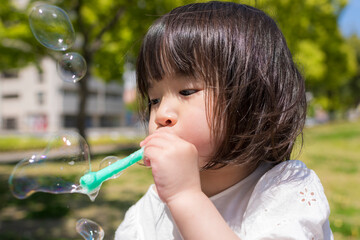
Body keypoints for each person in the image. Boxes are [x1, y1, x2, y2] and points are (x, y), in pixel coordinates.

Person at [115, 1, 333, 239]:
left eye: (187, 91)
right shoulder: (147, 212)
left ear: (252, 99)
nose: (161, 114)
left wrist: (185, 197)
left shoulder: (286, 190)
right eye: (154, 99)